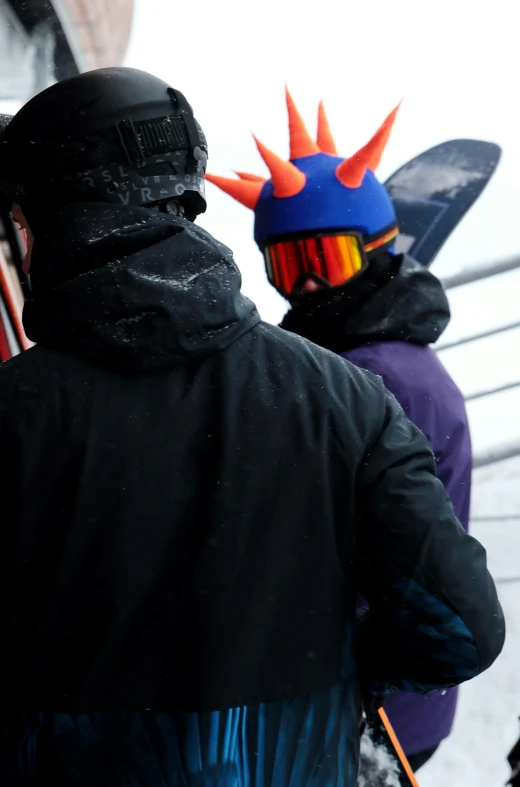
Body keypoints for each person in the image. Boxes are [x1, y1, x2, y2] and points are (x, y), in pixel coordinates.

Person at [0, 68, 504, 787]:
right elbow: (462, 628)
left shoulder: (17, 411)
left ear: (52, 221)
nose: (305, 286)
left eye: (18, 224)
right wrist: (326, 668)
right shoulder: (347, 399)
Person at [208, 88, 476, 772]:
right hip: (376, 685)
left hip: (374, 699)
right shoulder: (362, 358)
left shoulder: (379, 376)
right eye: (286, 266)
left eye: (324, 261)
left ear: (379, 249)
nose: (306, 288)